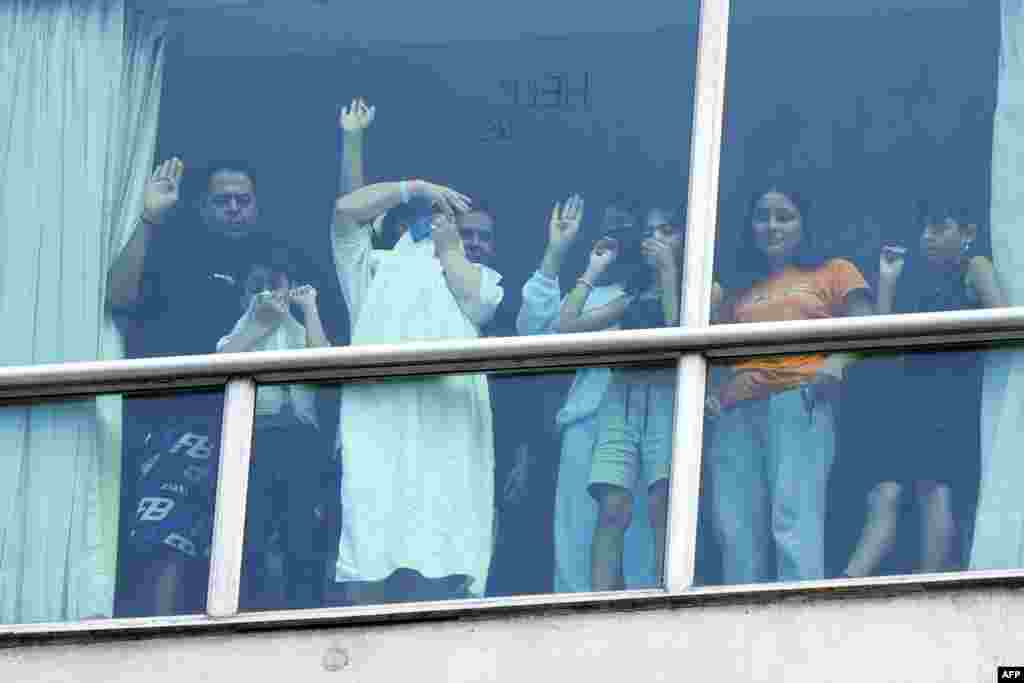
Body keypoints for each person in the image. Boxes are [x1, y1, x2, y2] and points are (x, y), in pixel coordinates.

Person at [109, 158, 279, 616]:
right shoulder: (175, 249)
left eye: (242, 200)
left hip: (256, 428)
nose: (233, 208)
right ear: (202, 206)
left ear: (258, 207)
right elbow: (118, 297)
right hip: (173, 420)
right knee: (167, 546)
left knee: (245, 554)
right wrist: (149, 219)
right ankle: (162, 652)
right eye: (222, 200)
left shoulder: (278, 260)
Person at [331, 173, 502, 603]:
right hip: (380, 426)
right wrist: (415, 189)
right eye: (467, 233)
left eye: (485, 236)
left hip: (448, 429)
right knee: (372, 541)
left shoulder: (482, 278)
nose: (477, 242)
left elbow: (478, 303)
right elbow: (346, 212)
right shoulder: (374, 267)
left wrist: (450, 250)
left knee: (440, 545)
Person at [705, 186, 872, 584]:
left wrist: (834, 366)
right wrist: (710, 394)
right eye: (763, 216)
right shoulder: (739, 288)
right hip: (735, 412)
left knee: (793, 522)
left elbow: (867, 326)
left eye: (785, 216)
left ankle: (796, 629)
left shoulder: (834, 270)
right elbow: (713, 351)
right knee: (735, 530)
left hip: (798, 401)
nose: (772, 226)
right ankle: (741, 627)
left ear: (804, 222)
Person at [843, 205, 1005, 578]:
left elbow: (1002, 319)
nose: (927, 237)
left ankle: (932, 583)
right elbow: (883, 346)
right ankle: (851, 581)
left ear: (966, 232)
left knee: (935, 489)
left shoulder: (974, 267)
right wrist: (887, 281)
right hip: (911, 403)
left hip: (950, 400)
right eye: (924, 229)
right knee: (895, 492)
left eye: (938, 227)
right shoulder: (920, 283)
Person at [516, 197, 660, 592]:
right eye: (609, 226)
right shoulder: (591, 289)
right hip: (585, 421)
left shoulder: (650, 291)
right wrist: (557, 252)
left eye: (627, 227)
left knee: (641, 547)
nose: (617, 234)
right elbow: (531, 333)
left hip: (643, 420)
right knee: (576, 543)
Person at [215, 254, 331, 609]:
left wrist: (309, 308)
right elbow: (221, 362)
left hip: (301, 442)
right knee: (252, 534)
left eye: (276, 285)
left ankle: (305, 608)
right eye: (257, 288)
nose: (268, 293)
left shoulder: (301, 333)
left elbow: (324, 366)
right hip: (254, 442)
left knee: (302, 534)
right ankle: (247, 608)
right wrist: (260, 326)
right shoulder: (239, 331)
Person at [582, 206, 685, 591]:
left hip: (667, 397)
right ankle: (599, 605)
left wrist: (670, 272)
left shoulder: (707, 288)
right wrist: (592, 271)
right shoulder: (632, 293)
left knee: (662, 505)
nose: (656, 239)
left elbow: (679, 332)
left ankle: (664, 600)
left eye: (667, 230)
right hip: (621, 397)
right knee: (612, 508)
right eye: (649, 232)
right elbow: (567, 324)